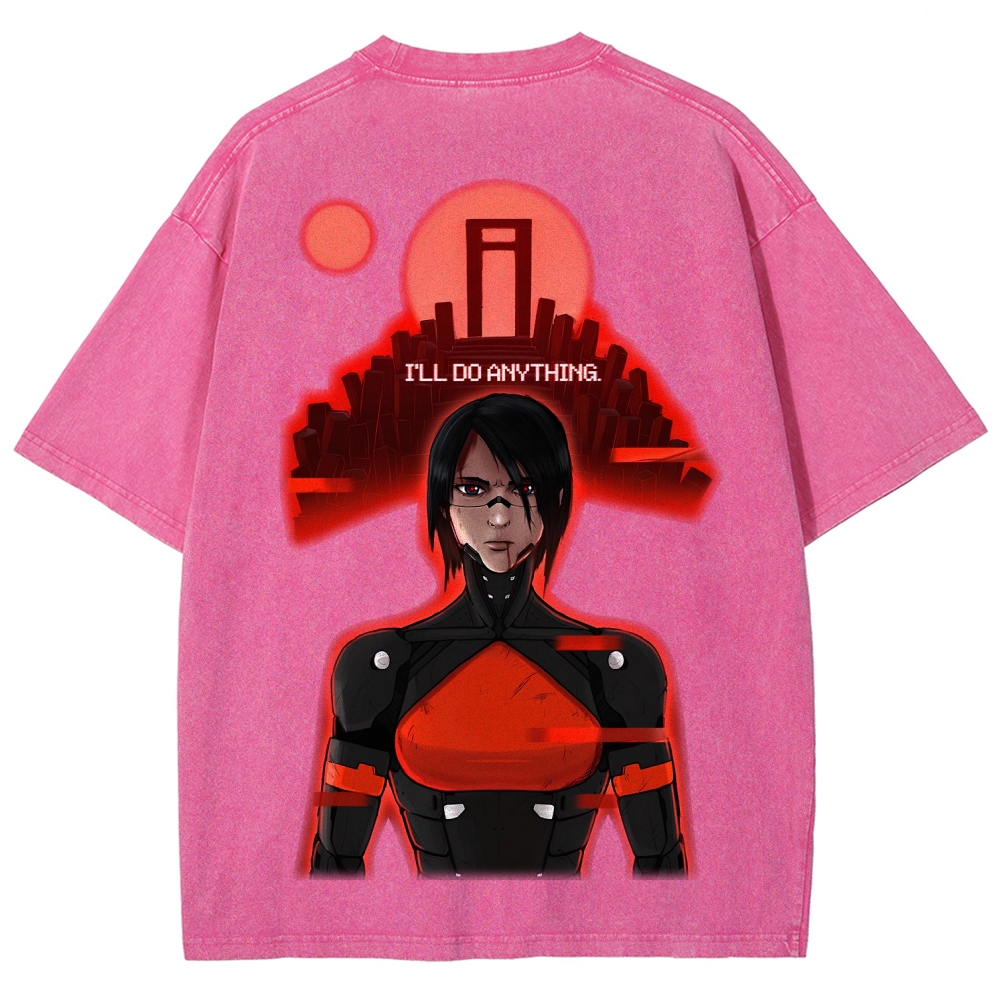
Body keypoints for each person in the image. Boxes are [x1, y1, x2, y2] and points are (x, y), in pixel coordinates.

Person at [311, 393, 685, 877]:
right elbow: (336, 861)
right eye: (472, 488)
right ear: (443, 504)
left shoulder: (615, 667)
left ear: (555, 500)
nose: (500, 515)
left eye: (525, 488)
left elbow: (661, 863)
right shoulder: (381, 667)